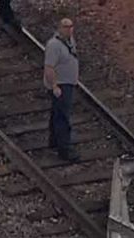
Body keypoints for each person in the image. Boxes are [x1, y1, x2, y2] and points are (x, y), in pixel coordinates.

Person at [44, 18, 80, 162]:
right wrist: (54, 86)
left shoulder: (70, 41)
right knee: (62, 117)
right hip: (60, 85)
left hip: (68, 83)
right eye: (65, 27)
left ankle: (54, 141)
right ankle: (65, 150)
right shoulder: (54, 45)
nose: (69, 29)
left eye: (71, 26)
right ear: (59, 28)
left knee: (56, 113)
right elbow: (49, 67)